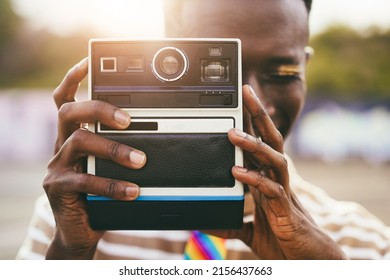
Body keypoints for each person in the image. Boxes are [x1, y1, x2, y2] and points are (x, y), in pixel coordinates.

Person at [17, 0, 390, 260]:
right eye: (219, 69)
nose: (253, 101)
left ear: (306, 68)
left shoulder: (365, 246)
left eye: (283, 74)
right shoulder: (76, 213)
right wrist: (70, 254)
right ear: (166, 56)